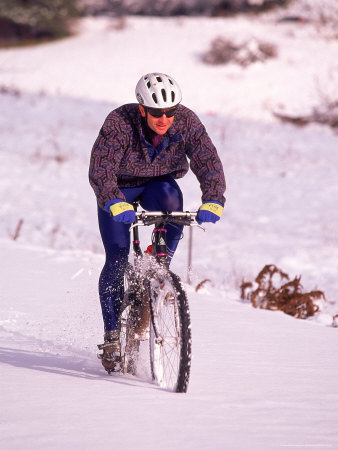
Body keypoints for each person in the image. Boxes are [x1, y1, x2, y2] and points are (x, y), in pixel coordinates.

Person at [89, 72, 226, 373]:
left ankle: (158, 268)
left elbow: (208, 160)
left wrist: (214, 197)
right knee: (115, 257)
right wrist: (112, 199)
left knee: (171, 204)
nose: (164, 118)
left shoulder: (187, 121)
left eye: (170, 112)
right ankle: (112, 336)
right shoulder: (119, 122)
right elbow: (100, 168)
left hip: (158, 184)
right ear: (142, 109)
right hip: (119, 187)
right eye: (156, 113)